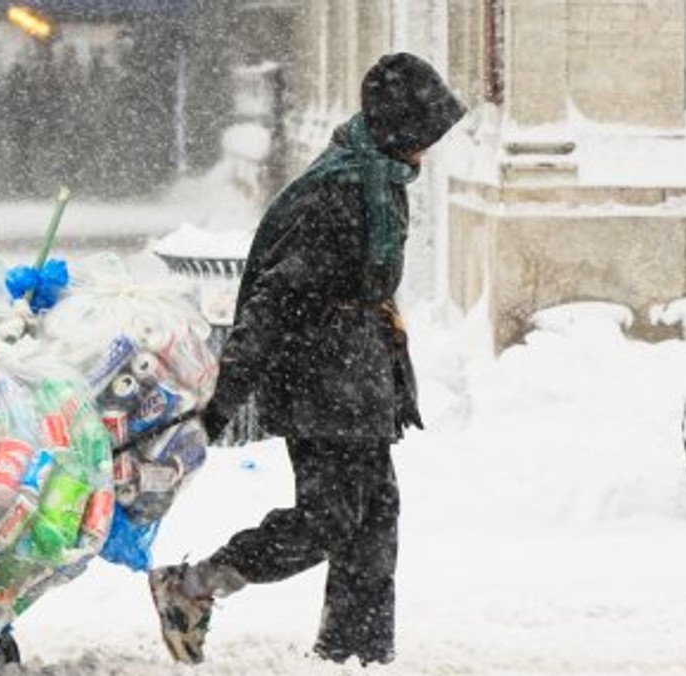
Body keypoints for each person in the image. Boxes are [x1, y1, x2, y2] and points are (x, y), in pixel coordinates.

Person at [148, 53, 467, 667]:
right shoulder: (336, 193)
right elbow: (272, 304)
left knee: (374, 517)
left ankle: (355, 648)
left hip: (359, 381)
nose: (428, 149)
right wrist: (220, 402)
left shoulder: (380, 181)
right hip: (322, 384)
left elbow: (366, 295)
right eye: (424, 133)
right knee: (329, 519)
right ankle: (190, 588)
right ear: (399, 125)